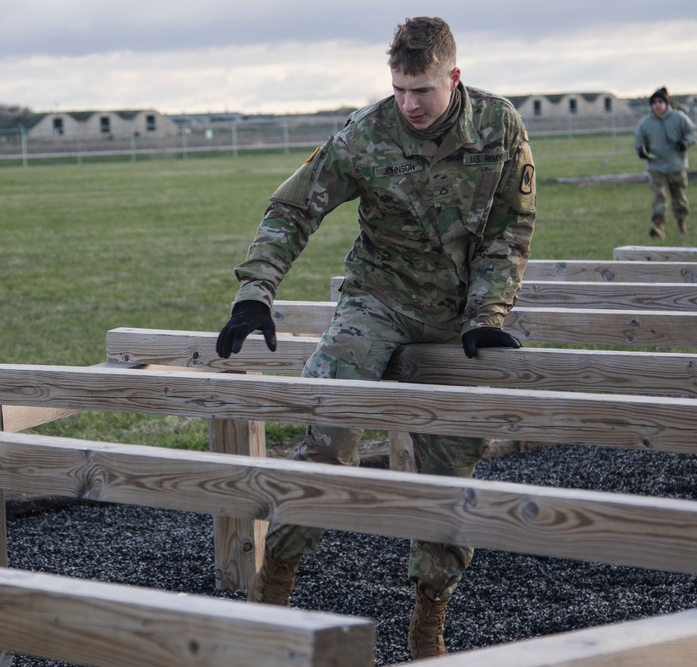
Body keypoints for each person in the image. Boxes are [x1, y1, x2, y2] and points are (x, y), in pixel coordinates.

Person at [215, 16, 535, 660]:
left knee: (451, 466)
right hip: (378, 299)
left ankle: (427, 623)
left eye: (423, 90)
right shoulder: (367, 132)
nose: (410, 104)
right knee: (328, 430)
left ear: (455, 77)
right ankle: (272, 593)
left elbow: (510, 231)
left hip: (456, 316)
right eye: (399, 89)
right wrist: (256, 292)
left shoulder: (499, 128)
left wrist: (487, 316)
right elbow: (294, 207)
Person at [634, 87, 697, 238]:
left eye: (660, 101)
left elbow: (693, 133)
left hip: (677, 166)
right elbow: (639, 142)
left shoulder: (679, 117)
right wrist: (642, 151)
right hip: (656, 168)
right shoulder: (645, 123)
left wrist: (685, 142)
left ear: (666, 102)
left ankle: (681, 226)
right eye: (654, 102)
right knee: (659, 196)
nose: (657, 105)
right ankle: (659, 228)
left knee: (679, 197)